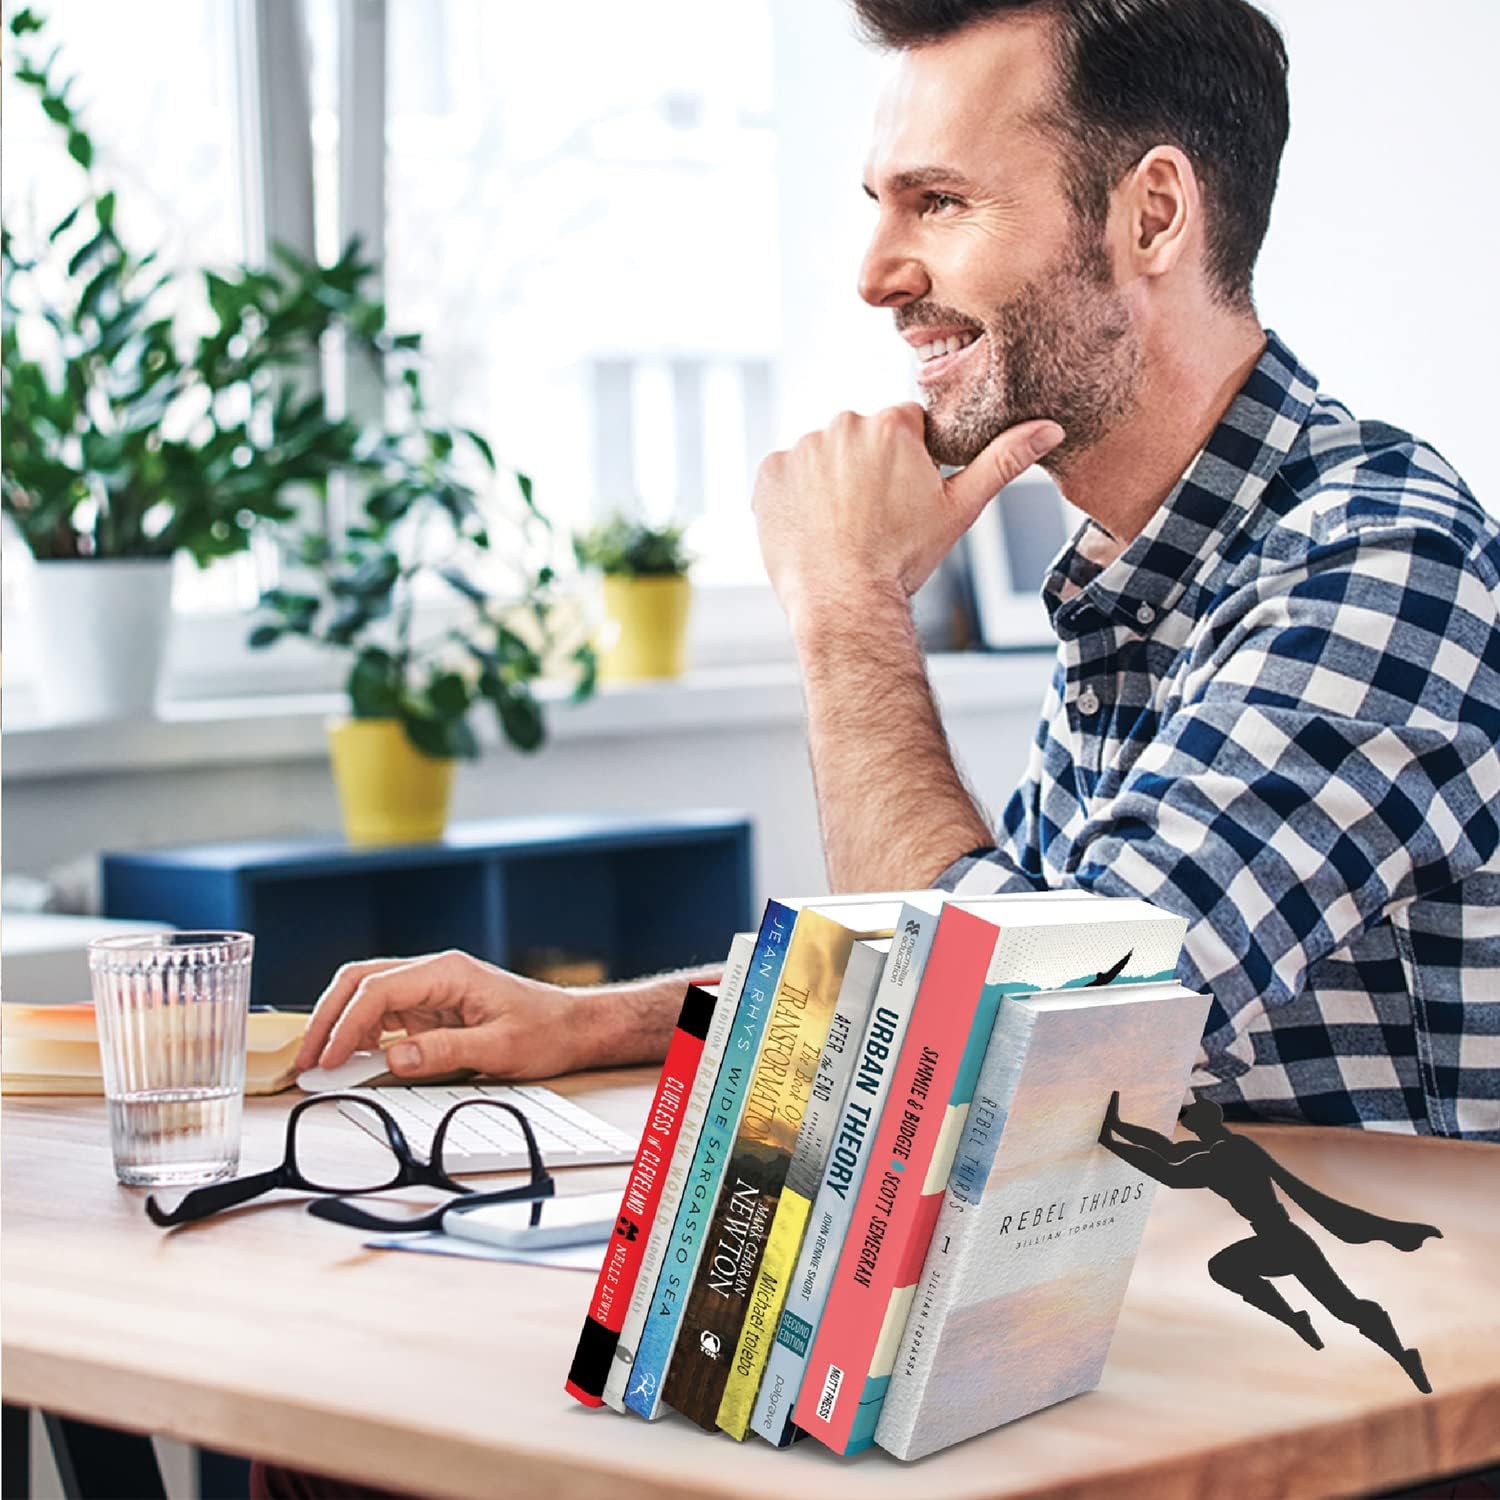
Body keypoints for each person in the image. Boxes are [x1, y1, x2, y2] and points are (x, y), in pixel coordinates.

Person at [296, 0, 1499, 1145]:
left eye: (940, 202)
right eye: (881, 204)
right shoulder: (1142, 579)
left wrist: (847, 605)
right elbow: (992, 951)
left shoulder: (1377, 565)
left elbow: (1018, 1055)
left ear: (1154, 216)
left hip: (1389, 1350)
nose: (875, 273)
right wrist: (590, 1021)